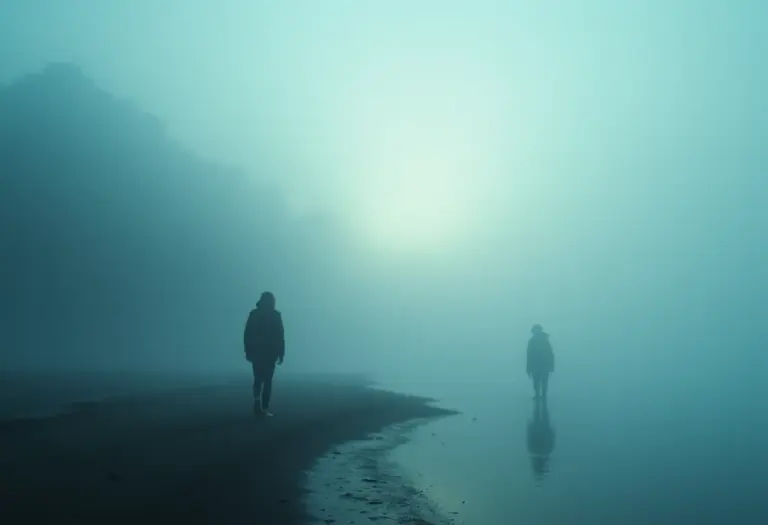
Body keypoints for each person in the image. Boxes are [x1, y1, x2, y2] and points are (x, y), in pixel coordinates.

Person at [243, 292, 285, 416]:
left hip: (258, 351)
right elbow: (280, 336)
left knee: (258, 378)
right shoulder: (275, 315)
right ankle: (264, 407)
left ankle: (258, 403)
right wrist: (281, 353)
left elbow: (247, 334)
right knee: (267, 380)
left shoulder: (254, 314)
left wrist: (247, 350)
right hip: (269, 352)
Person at [526, 324, 554, 399]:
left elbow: (550, 354)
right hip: (539, 366)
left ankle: (540, 396)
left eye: (533, 331)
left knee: (540, 381)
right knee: (540, 382)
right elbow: (529, 355)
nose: (532, 332)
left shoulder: (536, 341)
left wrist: (528, 368)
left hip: (540, 366)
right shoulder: (540, 340)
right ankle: (540, 395)